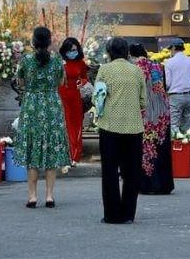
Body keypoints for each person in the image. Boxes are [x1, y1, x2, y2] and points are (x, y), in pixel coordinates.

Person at [13, 27, 70, 208]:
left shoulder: (26, 60)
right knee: (51, 151)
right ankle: (50, 196)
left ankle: (32, 196)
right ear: (49, 41)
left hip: (32, 107)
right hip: (52, 105)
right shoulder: (57, 61)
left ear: (34, 41)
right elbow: (61, 82)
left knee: (32, 151)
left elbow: (20, 82)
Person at [94, 37, 146, 224]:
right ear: (126, 52)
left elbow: (98, 98)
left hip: (109, 126)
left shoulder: (104, 70)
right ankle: (128, 214)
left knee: (110, 171)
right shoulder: (137, 71)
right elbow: (143, 102)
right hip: (133, 127)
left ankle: (112, 214)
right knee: (132, 172)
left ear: (109, 52)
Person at [129, 44, 174, 196]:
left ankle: (148, 185)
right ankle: (164, 184)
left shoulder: (135, 68)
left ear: (131, 55)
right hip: (162, 113)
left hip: (146, 114)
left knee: (146, 151)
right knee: (161, 149)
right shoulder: (157, 66)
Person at [59, 37, 88, 166]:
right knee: (64, 125)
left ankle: (75, 156)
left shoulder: (81, 63)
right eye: (70, 50)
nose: (73, 52)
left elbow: (84, 78)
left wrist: (81, 83)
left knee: (76, 126)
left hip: (75, 96)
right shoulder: (59, 62)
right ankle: (64, 155)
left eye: (75, 50)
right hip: (60, 96)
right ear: (65, 51)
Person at [163, 39, 190, 135]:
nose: (170, 51)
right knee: (187, 125)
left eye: (171, 49)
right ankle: (186, 148)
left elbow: (168, 83)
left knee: (174, 125)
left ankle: (176, 148)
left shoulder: (169, 62)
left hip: (175, 96)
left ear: (174, 48)